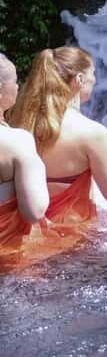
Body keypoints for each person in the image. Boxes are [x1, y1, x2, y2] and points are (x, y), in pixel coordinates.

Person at [10, 46, 107, 232]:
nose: (95, 80)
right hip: (73, 239)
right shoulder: (92, 133)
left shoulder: (20, 124)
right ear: (79, 80)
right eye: (93, 74)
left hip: (25, 234)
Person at [0, 54, 48, 255]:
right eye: (14, 81)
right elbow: (34, 212)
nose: (18, 87)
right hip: (7, 255)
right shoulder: (18, 141)